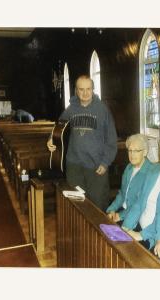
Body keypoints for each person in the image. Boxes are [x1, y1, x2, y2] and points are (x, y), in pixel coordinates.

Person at [47, 75, 117, 211]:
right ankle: (78, 232)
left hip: (96, 165)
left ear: (93, 89)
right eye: (81, 89)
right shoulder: (71, 108)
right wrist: (51, 139)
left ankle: (98, 232)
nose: (85, 93)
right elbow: (58, 127)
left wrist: (105, 162)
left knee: (98, 205)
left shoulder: (102, 110)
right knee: (76, 203)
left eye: (88, 89)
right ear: (76, 91)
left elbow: (111, 139)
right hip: (74, 165)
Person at [106, 134, 153, 223]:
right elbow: (122, 193)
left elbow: (140, 203)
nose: (132, 154)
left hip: (138, 218)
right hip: (123, 210)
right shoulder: (129, 168)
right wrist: (112, 209)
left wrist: (121, 215)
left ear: (145, 152)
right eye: (130, 150)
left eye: (136, 151)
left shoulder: (150, 172)